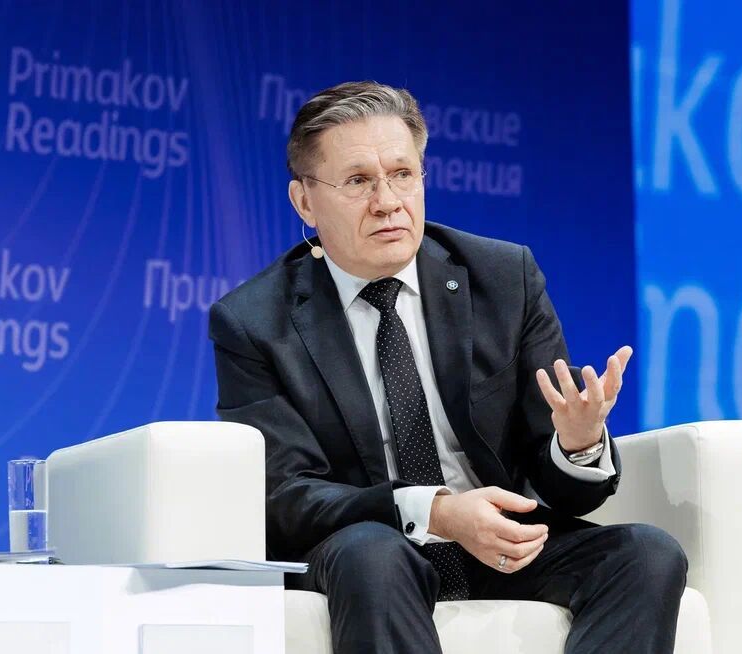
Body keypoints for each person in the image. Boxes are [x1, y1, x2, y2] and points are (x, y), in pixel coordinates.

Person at [209, 81, 687, 654]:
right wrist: (435, 512)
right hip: (368, 548)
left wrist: (577, 445)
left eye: (402, 174)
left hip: (497, 544)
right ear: (305, 201)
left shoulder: (503, 278)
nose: (387, 201)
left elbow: (564, 490)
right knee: (374, 553)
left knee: (646, 554)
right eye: (358, 181)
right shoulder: (254, 321)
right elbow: (287, 496)